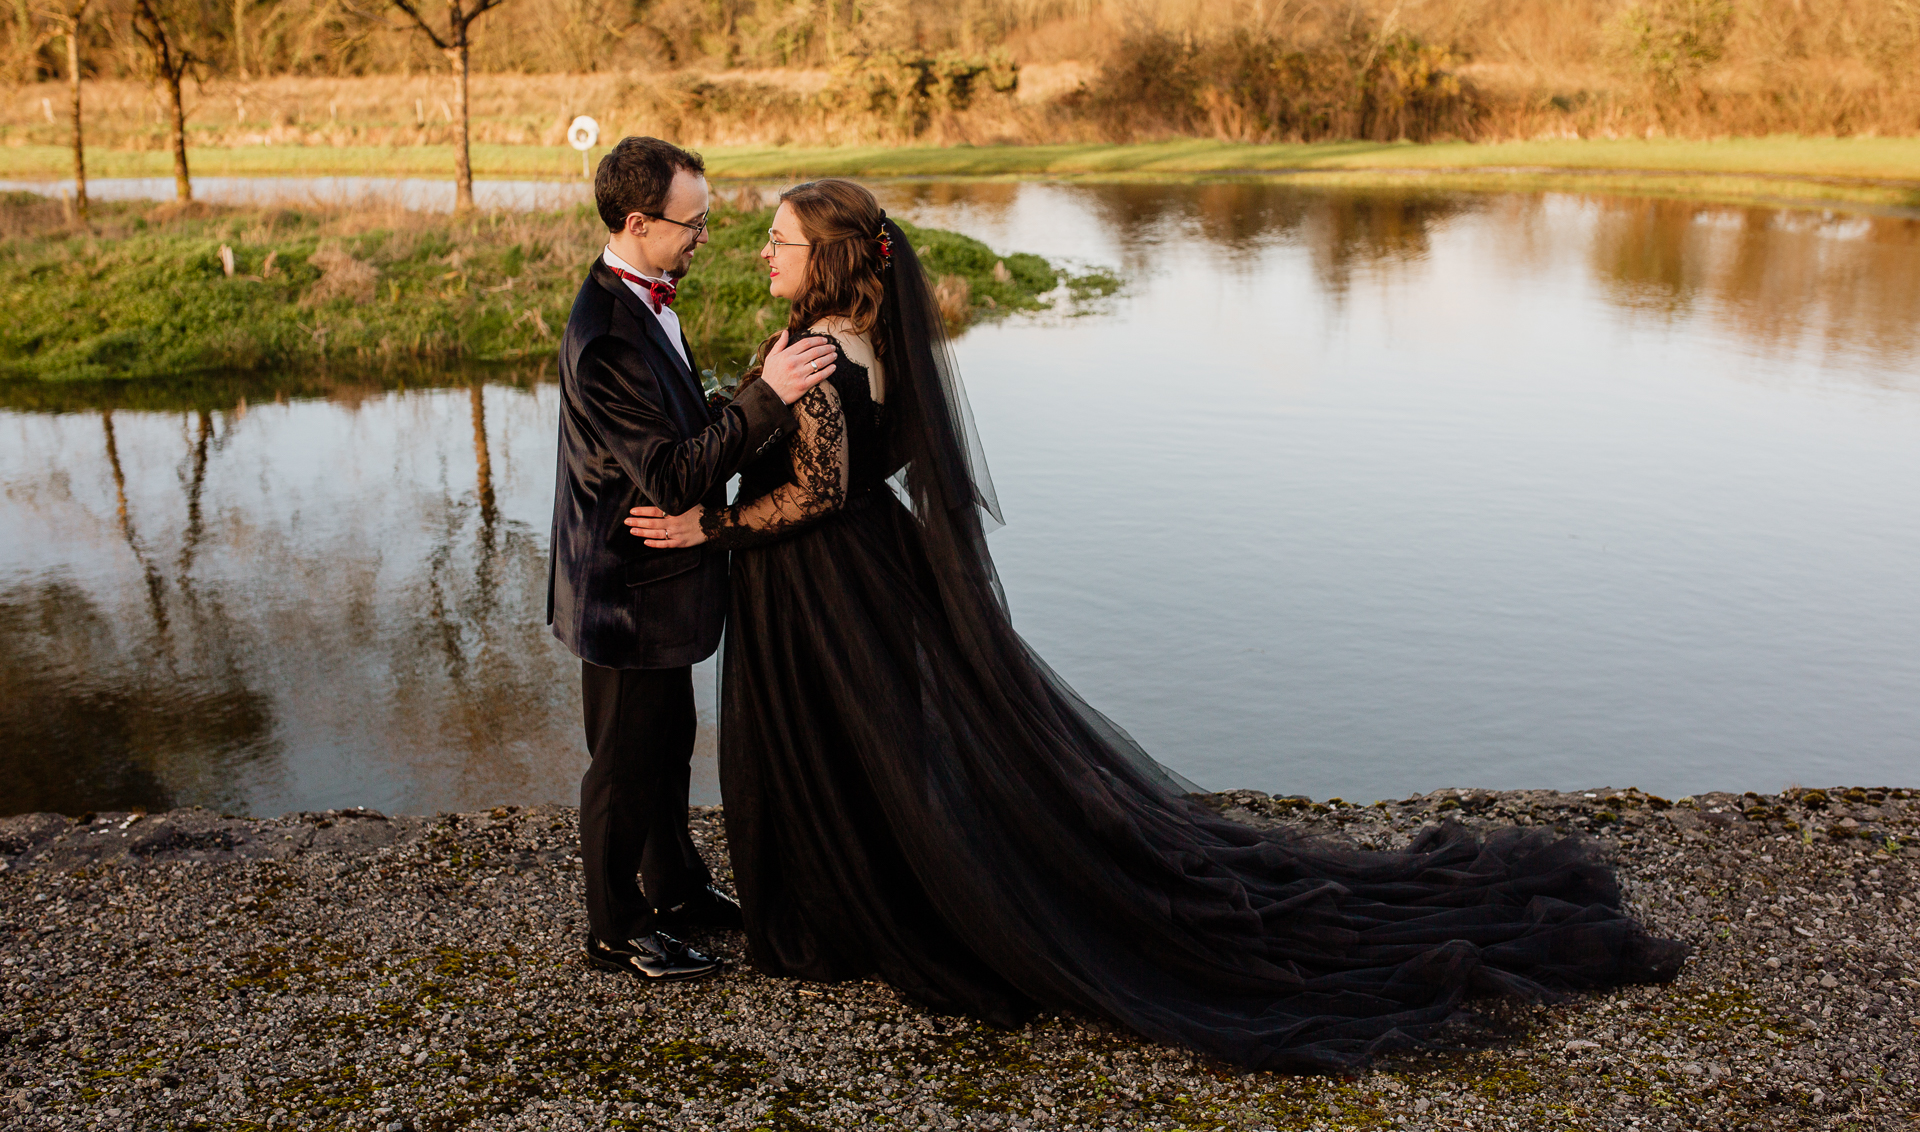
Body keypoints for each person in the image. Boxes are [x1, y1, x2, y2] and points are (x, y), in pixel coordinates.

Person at [626, 178, 1687, 1068]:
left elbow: (814, 490)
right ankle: (883, 885)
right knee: (887, 746)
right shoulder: (869, 334)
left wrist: (704, 525)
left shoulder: (812, 352)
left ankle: (864, 907)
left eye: (781, 240)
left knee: (839, 741)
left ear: (829, 257)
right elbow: (888, 455)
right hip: (871, 562)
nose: (764, 250)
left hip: (820, 579)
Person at [546, 136, 840, 983]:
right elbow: (671, 474)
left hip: (654, 582)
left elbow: (673, 420)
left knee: (667, 739)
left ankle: (675, 887)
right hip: (623, 581)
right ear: (638, 222)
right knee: (625, 759)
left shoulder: (648, 302)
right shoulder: (605, 333)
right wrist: (767, 398)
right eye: (693, 222)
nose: (704, 235)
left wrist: (742, 397)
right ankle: (616, 927)